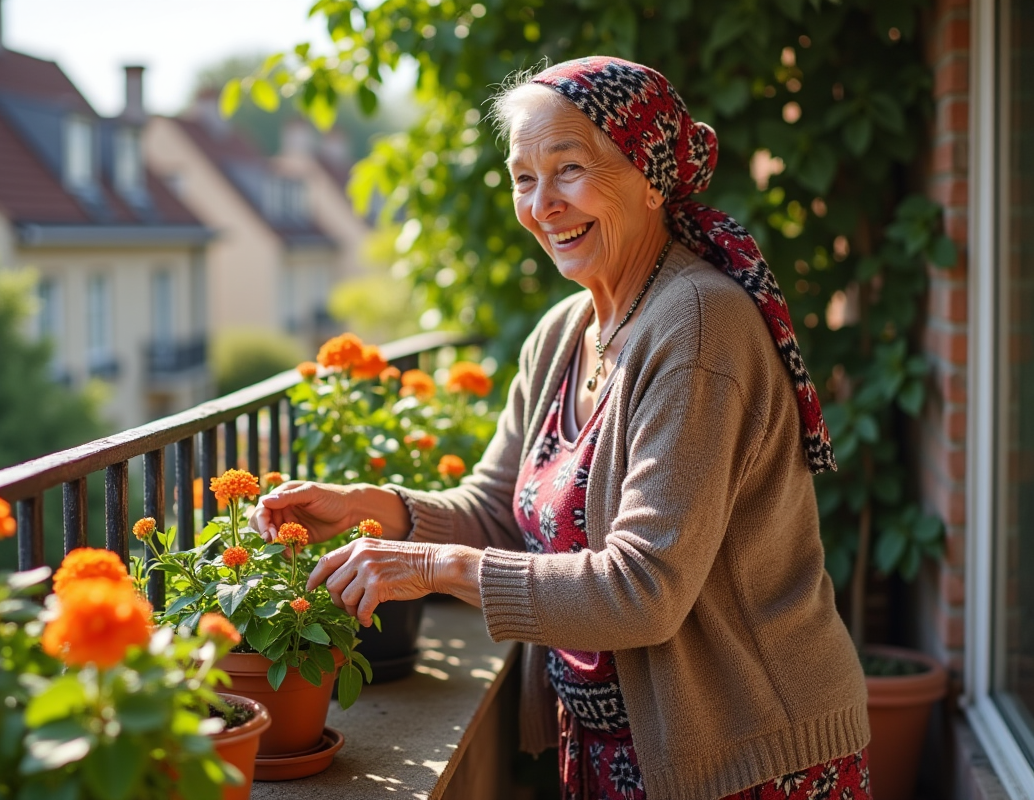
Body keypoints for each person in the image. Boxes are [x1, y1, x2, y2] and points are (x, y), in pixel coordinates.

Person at [251, 57, 870, 800]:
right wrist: (373, 509)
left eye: (568, 169)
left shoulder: (699, 326)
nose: (542, 205)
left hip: (751, 754)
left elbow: (644, 589)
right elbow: (495, 511)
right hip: (624, 751)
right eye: (522, 177)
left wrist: (434, 569)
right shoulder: (565, 331)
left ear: (649, 177)